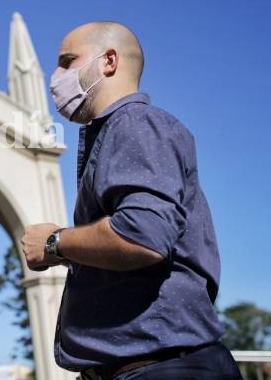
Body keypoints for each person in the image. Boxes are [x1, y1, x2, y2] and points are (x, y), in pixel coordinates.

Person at [21, 22, 241, 379]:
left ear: (109, 61)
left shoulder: (135, 123)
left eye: (67, 61)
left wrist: (55, 242)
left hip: (163, 369)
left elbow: (141, 235)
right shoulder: (119, 132)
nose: (55, 77)